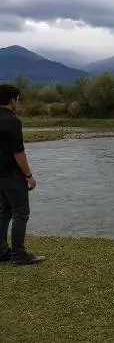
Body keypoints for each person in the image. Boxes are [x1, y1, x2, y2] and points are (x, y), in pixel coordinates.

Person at [0, 84, 45, 265]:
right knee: (21, 213)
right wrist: (29, 176)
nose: (19, 103)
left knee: (4, 211)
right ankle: (19, 254)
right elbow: (18, 152)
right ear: (12, 100)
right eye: (18, 99)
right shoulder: (12, 121)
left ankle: (2, 251)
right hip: (12, 174)